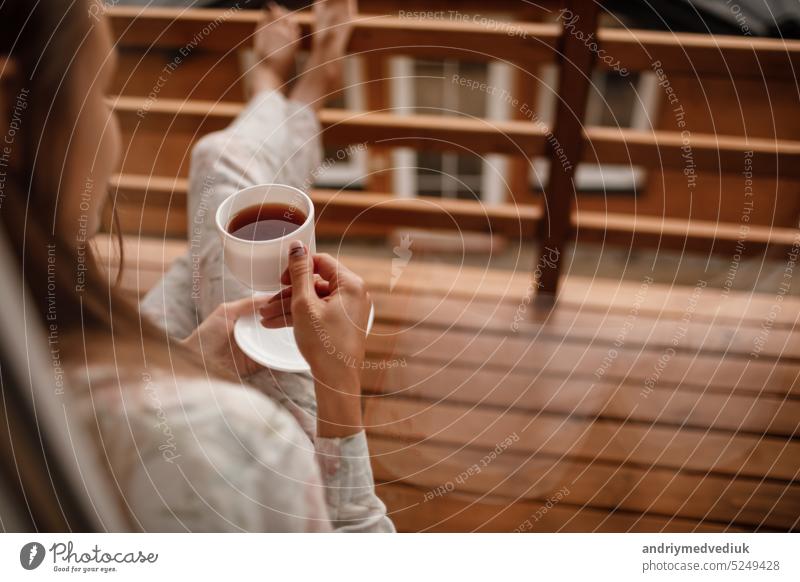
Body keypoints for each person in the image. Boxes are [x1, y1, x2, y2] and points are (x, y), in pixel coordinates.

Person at [0, 0, 394, 532]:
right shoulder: (248, 446)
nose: (109, 121)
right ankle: (297, 91)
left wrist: (187, 360)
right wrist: (341, 386)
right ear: (25, 140)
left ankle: (283, 93)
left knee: (222, 220)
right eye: (101, 92)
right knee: (222, 168)